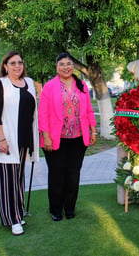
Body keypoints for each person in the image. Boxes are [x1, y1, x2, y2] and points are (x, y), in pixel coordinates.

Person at [38, 52, 97, 222]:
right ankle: (56, 210)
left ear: (73, 66)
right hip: (55, 139)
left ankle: (70, 208)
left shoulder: (82, 85)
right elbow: (43, 114)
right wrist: (46, 136)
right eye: (62, 64)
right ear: (57, 67)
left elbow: (89, 111)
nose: (66, 67)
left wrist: (93, 130)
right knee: (57, 174)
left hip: (78, 138)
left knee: (73, 174)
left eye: (69, 64)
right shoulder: (49, 86)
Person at [0, 51, 39, 236]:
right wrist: (1, 139)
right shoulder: (1, 84)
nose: (17, 66)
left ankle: (18, 212)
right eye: (13, 63)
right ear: (5, 66)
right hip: (7, 140)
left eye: (20, 62)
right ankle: (11, 219)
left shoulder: (29, 84)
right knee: (7, 181)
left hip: (24, 140)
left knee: (18, 180)